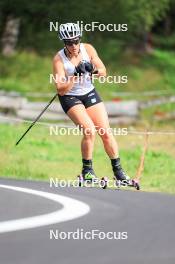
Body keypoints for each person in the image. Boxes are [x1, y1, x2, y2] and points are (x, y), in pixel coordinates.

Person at [53, 22, 129, 183]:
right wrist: (74, 74)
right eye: (68, 42)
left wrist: (92, 69)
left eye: (75, 41)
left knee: (105, 132)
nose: (73, 45)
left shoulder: (88, 49)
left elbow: (103, 72)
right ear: (63, 42)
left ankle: (119, 172)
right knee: (89, 130)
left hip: (89, 93)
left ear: (80, 38)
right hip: (70, 97)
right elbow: (60, 89)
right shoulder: (59, 59)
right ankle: (87, 171)